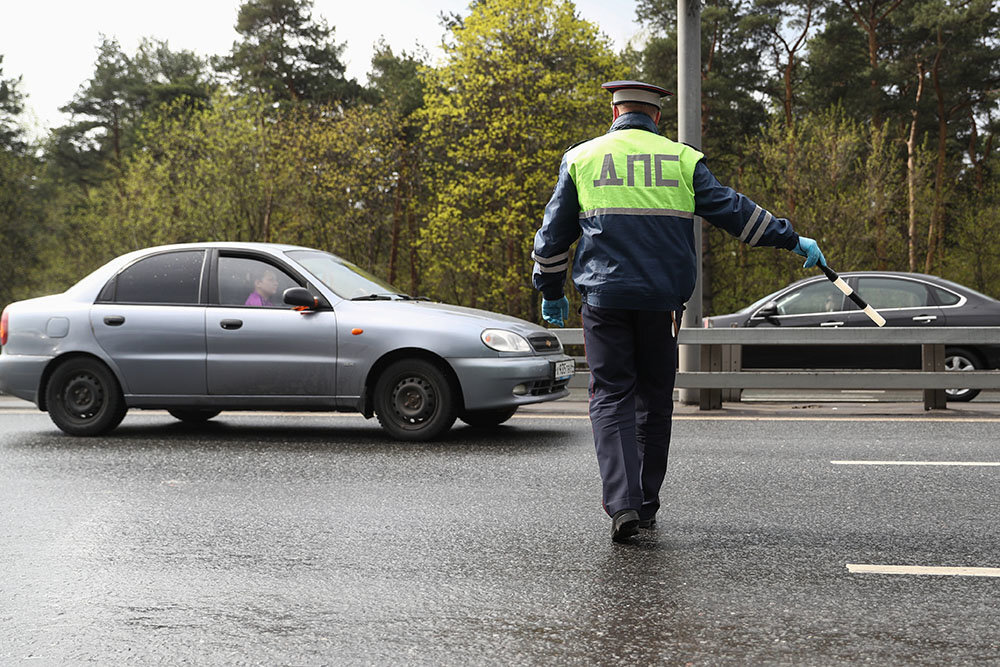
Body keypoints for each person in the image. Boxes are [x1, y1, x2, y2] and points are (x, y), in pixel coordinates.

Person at [531, 81, 826, 543]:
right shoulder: (682, 160)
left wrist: (549, 288)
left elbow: (552, 236)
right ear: (657, 118)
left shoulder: (582, 158)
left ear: (614, 113)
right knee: (653, 399)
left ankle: (622, 504)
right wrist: (791, 238)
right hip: (662, 305)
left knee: (610, 396)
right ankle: (645, 505)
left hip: (604, 303)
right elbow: (736, 213)